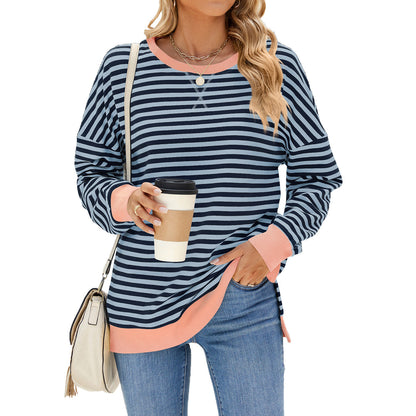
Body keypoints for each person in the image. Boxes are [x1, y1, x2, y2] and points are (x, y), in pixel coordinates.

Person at [74, 0, 343, 414]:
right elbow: (91, 172)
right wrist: (127, 201)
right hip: (143, 300)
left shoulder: (276, 66)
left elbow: (317, 177)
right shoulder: (123, 68)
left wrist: (272, 245)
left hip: (242, 294)